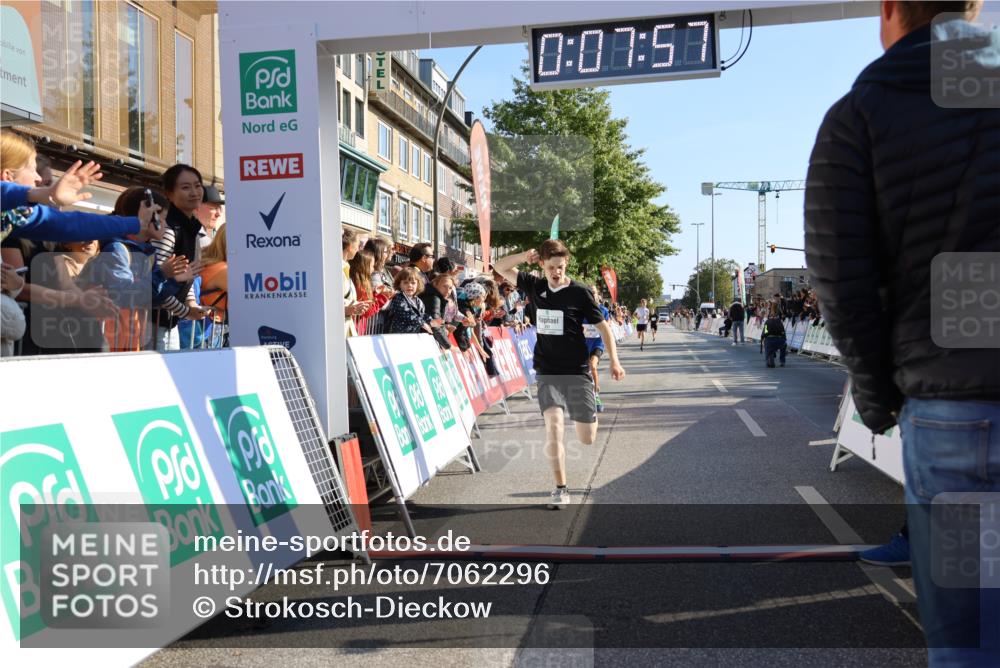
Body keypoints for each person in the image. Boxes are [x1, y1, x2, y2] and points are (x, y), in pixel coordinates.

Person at [804, 1, 998, 664]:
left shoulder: (862, 114)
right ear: (973, 11)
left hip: (955, 409)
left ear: (889, 11)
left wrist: (876, 394)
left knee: (973, 638)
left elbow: (841, 276)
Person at [494, 240, 625, 509]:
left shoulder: (579, 292)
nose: (557, 272)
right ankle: (560, 489)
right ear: (542, 265)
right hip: (547, 370)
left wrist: (614, 362)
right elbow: (498, 266)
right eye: (552, 267)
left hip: (577, 371)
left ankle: (593, 407)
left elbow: (605, 329)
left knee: (586, 438)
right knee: (553, 430)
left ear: (567, 265)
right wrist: (523, 254)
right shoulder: (534, 284)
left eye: (561, 267)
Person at [152, 164, 213, 350]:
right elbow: (154, 284)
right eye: (185, 187)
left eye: (197, 185)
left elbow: (188, 274)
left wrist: (191, 304)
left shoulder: (192, 227)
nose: (194, 192)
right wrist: (187, 311)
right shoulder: (168, 229)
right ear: (169, 194)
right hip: (152, 323)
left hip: (170, 321)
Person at [385, 266, 438, 335]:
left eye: (413, 283)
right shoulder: (399, 297)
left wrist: (431, 320)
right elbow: (407, 313)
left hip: (412, 335)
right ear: (399, 284)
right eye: (405, 282)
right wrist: (422, 323)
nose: (410, 285)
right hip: (398, 336)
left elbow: (421, 314)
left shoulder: (418, 301)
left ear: (418, 285)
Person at [584, 285, 612, 413]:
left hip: (597, 343)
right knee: (584, 372)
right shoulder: (580, 310)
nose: (592, 295)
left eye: (593, 292)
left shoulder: (603, 310)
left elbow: (607, 329)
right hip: (582, 344)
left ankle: (596, 395)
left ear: (598, 294)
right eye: (589, 292)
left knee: (593, 366)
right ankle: (588, 394)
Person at [342, 229, 372, 337]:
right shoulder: (336, 269)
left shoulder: (345, 267)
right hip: (338, 332)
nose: (359, 249)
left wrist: (356, 307)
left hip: (347, 329)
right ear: (350, 246)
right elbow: (327, 303)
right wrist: (350, 309)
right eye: (358, 245)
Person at [760, 303, 787, 368]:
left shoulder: (767, 322)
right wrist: (784, 341)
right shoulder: (779, 322)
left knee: (767, 346)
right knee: (783, 346)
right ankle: (782, 361)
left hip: (770, 340)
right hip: (779, 341)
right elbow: (783, 332)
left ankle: (769, 360)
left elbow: (765, 332)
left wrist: (762, 337)